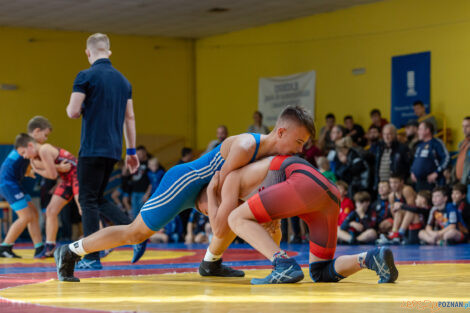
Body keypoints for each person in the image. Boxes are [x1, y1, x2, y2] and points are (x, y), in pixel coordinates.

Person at [55, 105, 315, 282]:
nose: (300, 150)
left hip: (207, 188)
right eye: (299, 142)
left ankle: (211, 263)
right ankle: (71, 251)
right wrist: (226, 220)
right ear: (281, 131)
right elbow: (217, 191)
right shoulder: (247, 146)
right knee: (135, 232)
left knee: (237, 214)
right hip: (184, 183)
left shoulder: (273, 156)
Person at [226, 155, 398, 284]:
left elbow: (224, 224)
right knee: (320, 272)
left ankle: (282, 263)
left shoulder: (240, 174)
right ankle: (372, 257)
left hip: (304, 185)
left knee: (235, 217)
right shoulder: (273, 160)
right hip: (329, 194)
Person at [65, 33, 139, 269]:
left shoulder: (85, 75)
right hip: (114, 150)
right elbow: (130, 117)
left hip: (92, 148)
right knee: (97, 199)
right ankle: (138, 233)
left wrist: (76, 105)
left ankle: (91, 256)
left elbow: (73, 111)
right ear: (108, 51)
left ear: (88, 53)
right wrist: (132, 151)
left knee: (87, 200)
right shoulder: (123, 81)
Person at [14, 134, 82, 258]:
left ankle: (100, 242)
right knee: (51, 211)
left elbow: (52, 175)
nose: (24, 156)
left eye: (24, 152)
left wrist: (36, 169)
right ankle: (50, 246)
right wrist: (43, 167)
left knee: (84, 209)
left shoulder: (44, 149)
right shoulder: (35, 158)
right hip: (66, 179)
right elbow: (53, 170)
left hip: (78, 175)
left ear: (30, 145)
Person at [0, 116, 55, 258]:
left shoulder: (27, 144)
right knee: (25, 217)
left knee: (33, 214)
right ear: (36, 131)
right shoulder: (29, 146)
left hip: (13, 183)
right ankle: (5, 247)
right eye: (45, 135)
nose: (46, 138)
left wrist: (28, 171)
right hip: (8, 184)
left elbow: (18, 164)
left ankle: (38, 247)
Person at [411, 121, 449, 191]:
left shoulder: (436, 143)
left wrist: (436, 173)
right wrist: (412, 172)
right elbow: (415, 161)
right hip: (419, 182)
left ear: (427, 130)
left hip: (432, 182)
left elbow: (446, 158)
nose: (418, 132)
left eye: (420, 129)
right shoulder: (419, 145)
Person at [374, 124, 410, 190]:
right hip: (381, 185)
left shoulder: (402, 148)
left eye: (389, 134)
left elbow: (408, 167)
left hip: (396, 186)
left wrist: (401, 181)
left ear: (395, 134)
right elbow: (377, 167)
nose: (386, 137)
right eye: (384, 134)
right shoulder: (379, 148)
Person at [455, 117, 470, 202]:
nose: (464, 129)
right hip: (462, 183)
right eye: (463, 126)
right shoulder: (462, 144)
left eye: (467, 126)